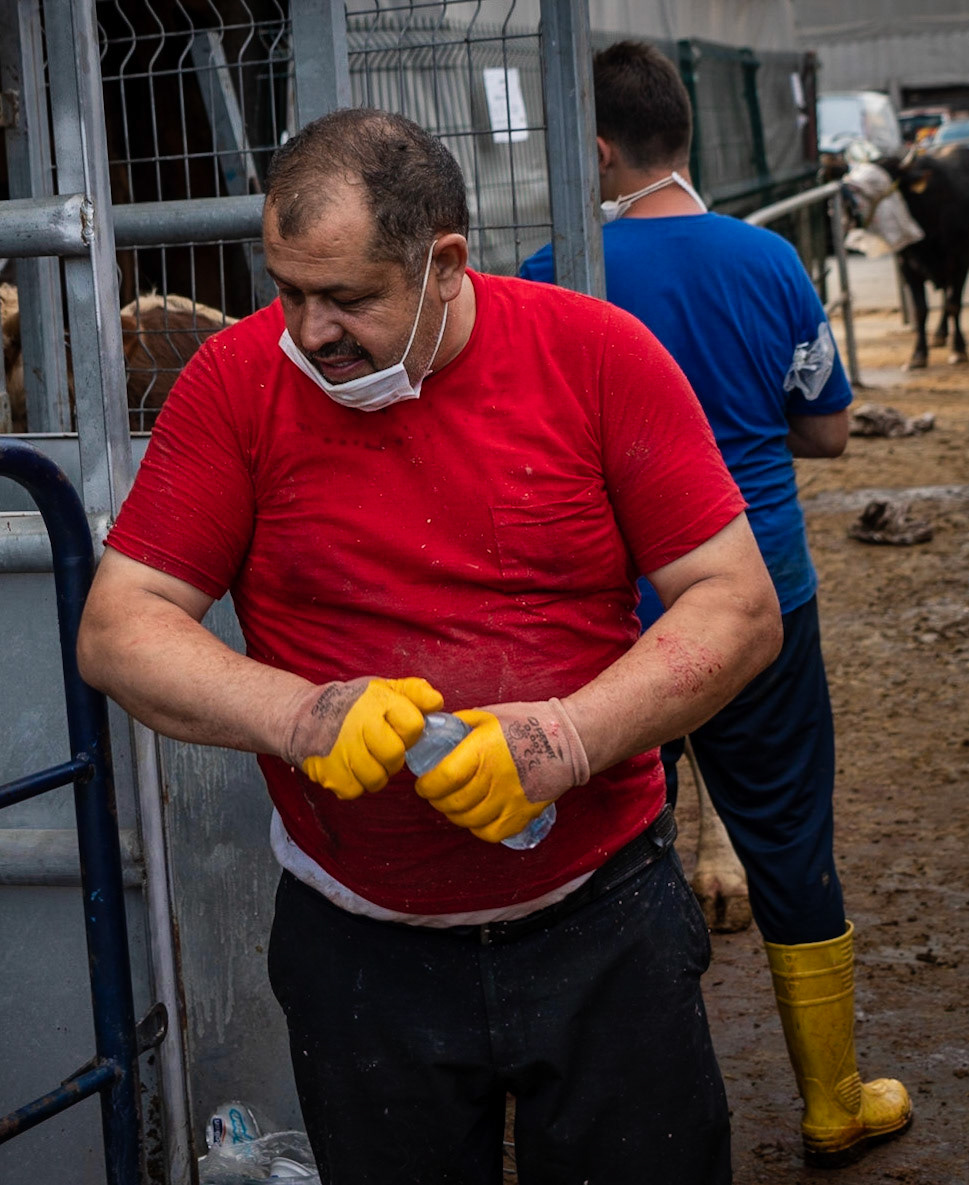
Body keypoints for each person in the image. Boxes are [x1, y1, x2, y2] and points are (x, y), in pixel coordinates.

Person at [78, 106, 783, 1184]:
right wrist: (302, 715)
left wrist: (566, 735)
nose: (309, 330)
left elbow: (735, 604)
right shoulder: (233, 384)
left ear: (445, 261)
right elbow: (122, 627)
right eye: (287, 290)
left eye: (349, 297)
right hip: (357, 943)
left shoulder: (596, 355)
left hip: (602, 921)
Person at [520, 40, 912, 1168]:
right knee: (789, 834)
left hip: (613, 614)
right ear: (682, 132)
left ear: (596, 149)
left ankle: (622, 1108)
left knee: (612, 851)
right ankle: (834, 1099)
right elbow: (828, 428)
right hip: (758, 600)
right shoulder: (772, 262)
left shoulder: (551, 279)